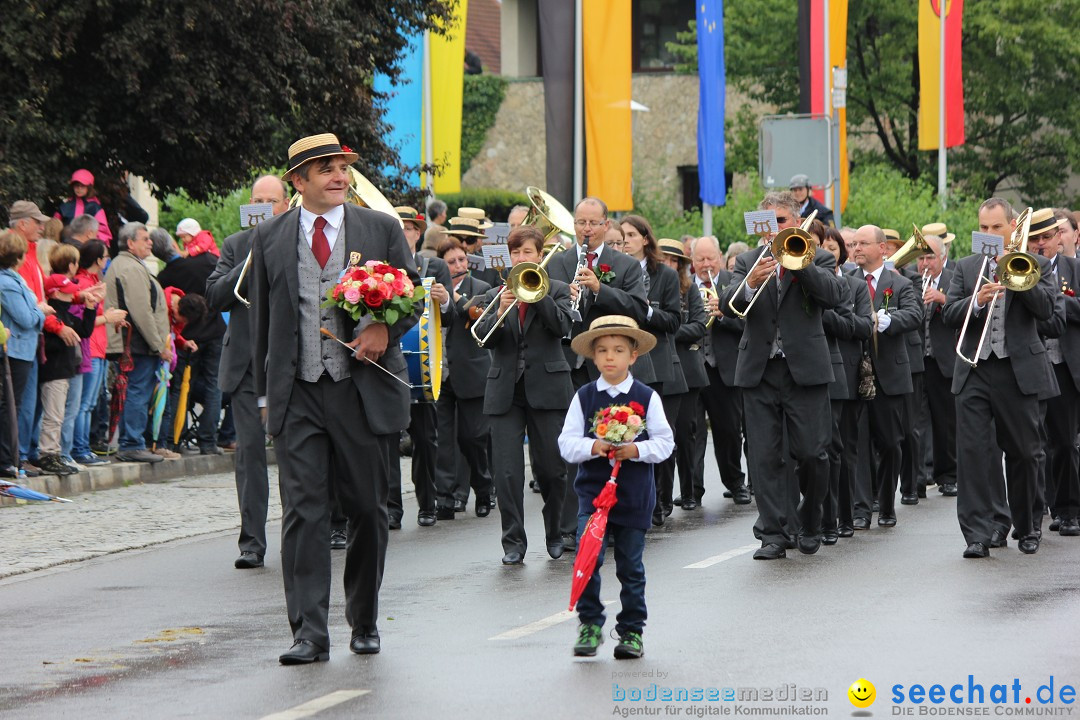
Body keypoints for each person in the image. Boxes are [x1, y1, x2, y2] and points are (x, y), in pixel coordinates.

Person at [249, 133, 421, 664]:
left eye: (342, 167)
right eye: (326, 169)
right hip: (297, 392)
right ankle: (309, 633)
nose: (339, 177)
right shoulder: (271, 237)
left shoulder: (382, 228)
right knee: (304, 512)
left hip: (359, 389)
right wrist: (263, 397)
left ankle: (364, 619)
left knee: (368, 509)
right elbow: (263, 323)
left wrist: (383, 332)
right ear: (299, 181)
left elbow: (410, 296)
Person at [718, 191, 844, 559]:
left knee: (812, 453)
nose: (775, 230)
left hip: (803, 369)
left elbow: (833, 295)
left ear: (796, 222)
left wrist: (799, 264)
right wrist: (751, 284)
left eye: (782, 222)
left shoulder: (817, 255)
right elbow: (729, 306)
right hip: (759, 371)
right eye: (768, 224)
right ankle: (773, 532)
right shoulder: (745, 261)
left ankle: (809, 519)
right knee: (764, 455)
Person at [943, 198, 1062, 558]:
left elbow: (1048, 313)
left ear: (1013, 228)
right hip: (975, 368)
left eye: (997, 227)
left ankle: (1027, 526)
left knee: (1026, 453)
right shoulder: (965, 268)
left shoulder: (1037, 264)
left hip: (1017, 369)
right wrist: (975, 301)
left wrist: (1017, 277)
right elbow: (948, 312)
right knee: (974, 454)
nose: (990, 233)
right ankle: (979, 534)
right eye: (984, 228)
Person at [559, 315, 673, 660]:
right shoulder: (584, 396)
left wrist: (636, 449)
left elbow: (665, 443)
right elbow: (566, 443)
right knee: (588, 560)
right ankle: (590, 622)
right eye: (603, 351)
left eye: (618, 350)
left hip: (634, 495)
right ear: (593, 357)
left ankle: (632, 630)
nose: (610, 357)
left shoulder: (646, 396)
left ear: (633, 356)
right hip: (593, 496)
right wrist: (593, 446)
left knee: (630, 566)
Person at [545, 197, 652, 549]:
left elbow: (638, 308)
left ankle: (614, 520)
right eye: (580, 223)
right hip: (565, 363)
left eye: (593, 223)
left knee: (613, 442)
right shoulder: (558, 262)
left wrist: (599, 289)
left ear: (606, 225)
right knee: (575, 448)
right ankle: (572, 528)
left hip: (608, 367)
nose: (586, 230)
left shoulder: (624, 265)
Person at [473, 225, 574, 565]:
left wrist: (538, 294)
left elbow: (563, 327)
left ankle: (557, 533)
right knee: (506, 472)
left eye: (526, 252)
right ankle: (512, 543)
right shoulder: (495, 293)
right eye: (515, 253)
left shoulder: (558, 289)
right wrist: (500, 313)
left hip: (547, 390)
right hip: (505, 391)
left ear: (539, 255)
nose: (520, 258)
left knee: (553, 470)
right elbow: (482, 337)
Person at [205, 174, 289, 570]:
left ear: (285, 205)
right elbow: (214, 294)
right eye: (257, 200)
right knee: (250, 456)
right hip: (245, 367)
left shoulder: (295, 242)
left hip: (288, 363)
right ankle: (252, 544)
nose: (264, 207)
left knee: (296, 454)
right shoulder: (235, 245)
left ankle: (309, 532)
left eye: (271, 201)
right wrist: (249, 259)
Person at [848, 225, 921, 528]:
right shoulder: (848, 281)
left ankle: (887, 504)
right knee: (859, 444)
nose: (857, 249)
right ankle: (862, 509)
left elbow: (916, 315)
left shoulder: (899, 283)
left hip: (889, 374)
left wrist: (890, 319)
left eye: (864, 243)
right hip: (855, 373)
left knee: (891, 443)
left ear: (883, 248)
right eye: (855, 244)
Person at [386, 206, 451, 528]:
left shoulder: (434, 265)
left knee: (426, 440)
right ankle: (392, 509)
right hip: (388, 364)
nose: (405, 233)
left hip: (425, 366)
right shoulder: (379, 268)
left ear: (418, 232)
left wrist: (444, 300)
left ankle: (428, 504)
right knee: (387, 443)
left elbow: (451, 316)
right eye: (399, 227)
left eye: (410, 228)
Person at [9, 201, 80, 470]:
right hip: (22, 340)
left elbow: (40, 299)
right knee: (24, 405)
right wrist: (56, 325)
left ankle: (25, 454)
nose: (42, 226)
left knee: (32, 405)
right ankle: (20, 456)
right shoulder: (20, 258)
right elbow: (29, 307)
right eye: (37, 221)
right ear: (22, 224)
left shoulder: (31, 255)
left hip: (33, 339)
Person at [433, 237, 494, 518]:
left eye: (462, 260)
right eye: (451, 262)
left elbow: (475, 319)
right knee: (443, 439)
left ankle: (483, 488)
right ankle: (444, 498)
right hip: (440, 372)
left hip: (471, 372)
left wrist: (452, 298)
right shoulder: (433, 289)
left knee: (473, 438)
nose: (459, 265)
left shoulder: (479, 289)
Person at [1027, 208, 1080, 537]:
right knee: (1032, 443)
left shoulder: (1073, 269)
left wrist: (1058, 301)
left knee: (1063, 441)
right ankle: (1036, 508)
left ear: (1060, 238)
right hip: (1028, 364)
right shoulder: (1019, 268)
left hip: (1062, 365)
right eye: (1035, 239)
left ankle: (1069, 509)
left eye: (1047, 237)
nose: (1041, 244)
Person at [819, 228, 873, 540]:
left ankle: (847, 514)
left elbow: (864, 326)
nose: (827, 250)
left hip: (847, 372)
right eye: (821, 246)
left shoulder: (854, 285)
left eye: (831, 246)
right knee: (820, 447)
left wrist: (831, 319)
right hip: (811, 368)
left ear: (840, 251)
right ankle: (821, 515)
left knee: (843, 446)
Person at [157, 227, 227, 455]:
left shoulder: (173, 271)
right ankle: (207, 441)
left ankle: (176, 438)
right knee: (214, 386)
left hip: (186, 334)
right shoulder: (213, 261)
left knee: (180, 388)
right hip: (215, 330)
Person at [105, 223, 171, 464]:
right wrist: (158, 345)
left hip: (136, 342)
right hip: (137, 343)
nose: (150, 242)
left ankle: (131, 442)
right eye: (144, 238)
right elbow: (141, 312)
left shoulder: (129, 265)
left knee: (134, 391)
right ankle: (132, 443)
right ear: (130, 243)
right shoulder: (130, 268)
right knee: (136, 392)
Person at [693, 235, 749, 507]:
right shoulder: (686, 286)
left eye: (711, 259)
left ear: (719, 257)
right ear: (692, 262)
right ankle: (693, 490)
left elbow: (748, 325)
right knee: (691, 432)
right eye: (700, 259)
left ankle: (735, 482)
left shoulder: (733, 283)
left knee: (728, 429)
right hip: (693, 367)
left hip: (723, 367)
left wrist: (724, 316)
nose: (706, 264)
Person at [658, 239, 708, 513]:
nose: (667, 263)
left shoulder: (689, 290)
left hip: (687, 370)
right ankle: (663, 498)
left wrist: (666, 330)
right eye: (663, 258)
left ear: (679, 264)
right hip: (661, 366)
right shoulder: (650, 283)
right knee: (664, 432)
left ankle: (689, 491)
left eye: (672, 259)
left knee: (687, 433)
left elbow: (699, 325)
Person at [37, 255, 98, 476]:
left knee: (58, 415)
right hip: (53, 371)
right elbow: (48, 343)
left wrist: (90, 308)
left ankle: (54, 453)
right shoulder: (52, 313)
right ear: (54, 293)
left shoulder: (63, 313)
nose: (72, 293)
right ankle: (48, 455)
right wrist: (62, 335)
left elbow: (84, 331)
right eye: (66, 290)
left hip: (64, 370)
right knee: (53, 416)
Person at [71, 241, 125, 467]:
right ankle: (80, 448)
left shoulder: (93, 282)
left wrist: (109, 316)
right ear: (97, 260)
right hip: (91, 348)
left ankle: (84, 446)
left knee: (90, 403)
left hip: (99, 349)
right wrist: (108, 318)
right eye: (105, 257)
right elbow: (85, 323)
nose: (107, 261)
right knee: (84, 404)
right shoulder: (84, 283)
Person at [0, 230, 46, 479]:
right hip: (14, 350)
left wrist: (37, 310)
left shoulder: (14, 278)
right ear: (18, 256)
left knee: (16, 405)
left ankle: (12, 457)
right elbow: (26, 318)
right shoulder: (6, 282)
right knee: (11, 405)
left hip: (24, 349)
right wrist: (41, 312)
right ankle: (7, 459)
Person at [915, 234, 958, 497]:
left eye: (930, 257)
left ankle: (948, 475)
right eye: (921, 258)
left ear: (942, 258)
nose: (925, 263)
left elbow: (965, 310)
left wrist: (942, 298)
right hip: (918, 360)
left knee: (946, 422)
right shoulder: (910, 280)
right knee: (916, 423)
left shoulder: (955, 280)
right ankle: (919, 476)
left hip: (944, 361)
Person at [54, 169, 113, 245]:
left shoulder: (95, 207)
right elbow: (55, 226)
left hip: (87, 248)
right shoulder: (65, 206)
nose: (79, 189)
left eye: (82, 186)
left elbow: (103, 232)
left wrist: (95, 246)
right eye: (76, 186)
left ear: (89, 187)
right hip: (66, 247)